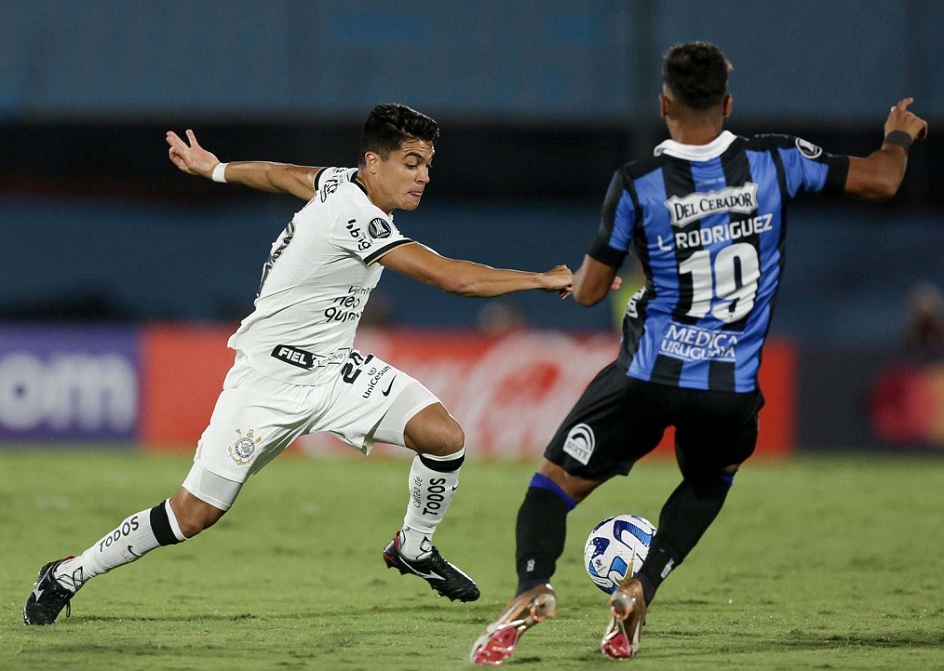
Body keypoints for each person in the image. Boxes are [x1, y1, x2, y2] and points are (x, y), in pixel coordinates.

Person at [23, 103, 574, 625]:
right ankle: (69, 573)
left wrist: (217, 170)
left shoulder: (341, 181)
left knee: (444, 436)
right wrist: (541, 279)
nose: (423, 176)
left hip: (334, 371)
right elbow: (451, 278)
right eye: (411, 163)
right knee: (194, 514)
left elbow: (284, 174)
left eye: (428, 164)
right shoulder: (355, 216)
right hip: (268, 380)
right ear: (374, 162)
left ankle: (413, 546)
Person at [470, 41, 928, 665]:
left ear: (665, 105)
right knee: (710, 480)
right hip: (730, 385)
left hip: (648, 373)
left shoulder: (638, 185)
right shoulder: (775, 160)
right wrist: (898, 135)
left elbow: (590, 294)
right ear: (728, 104)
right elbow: (883, 177)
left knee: (552, 485)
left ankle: (533, 587)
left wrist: (566, 281)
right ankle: (642, 586)